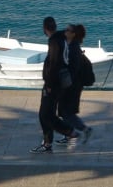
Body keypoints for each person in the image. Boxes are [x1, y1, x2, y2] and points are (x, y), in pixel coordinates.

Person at [32, 16, 77, 153]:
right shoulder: (62, 38)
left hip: (53, 84)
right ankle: (65, 134)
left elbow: (54, 64)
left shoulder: (54, 42)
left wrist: (49, 84)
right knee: (56, 111)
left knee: (45, 114)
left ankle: (56, 139)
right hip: (63, 81)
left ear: (45, 29)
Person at [58, 23, 93, 144]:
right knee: (66, 111)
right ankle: (69, 134)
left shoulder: (73, 49)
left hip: (72, 86)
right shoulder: (73, 46)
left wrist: (65, 84)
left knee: (66, 112)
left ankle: (83, 129)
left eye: (68, 30)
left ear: (73, 34)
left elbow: (72, 69)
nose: (65, 31)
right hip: (74, 85)